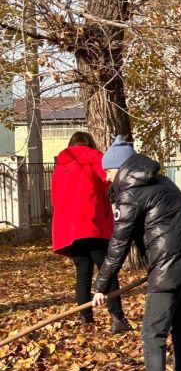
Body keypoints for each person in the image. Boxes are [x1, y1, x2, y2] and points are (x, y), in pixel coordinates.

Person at [92, 135, 181, 371]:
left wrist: (101, 287)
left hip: (169, 268)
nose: (107, 179)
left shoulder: (131, 192)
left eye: (108, 172)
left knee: (152, 333)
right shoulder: (161, 181)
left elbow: (118, 244)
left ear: (120, 168)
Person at [50, 131, 131, 333]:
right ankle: (117, 317)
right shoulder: (94, 157)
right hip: (92, 224)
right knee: (108, 270)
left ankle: (86, 319)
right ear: (89, 143)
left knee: (82, 274)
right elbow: (109, 178)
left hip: (69, 229)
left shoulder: (60, 166)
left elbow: (55, 197)